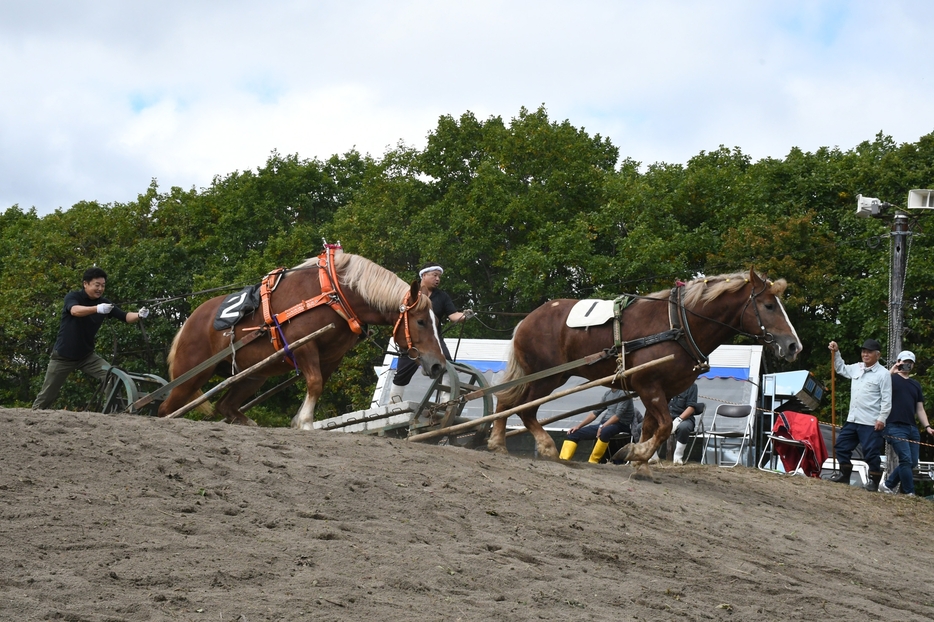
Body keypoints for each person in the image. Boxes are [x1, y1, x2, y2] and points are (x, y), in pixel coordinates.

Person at [32, 267, 149, 409]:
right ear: (85, 284)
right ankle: (33, 416)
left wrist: (139, 315)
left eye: (103, 285)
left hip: (87, 357)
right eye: (97, 285)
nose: (100, 288)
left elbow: (125, 316)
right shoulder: (73, 297)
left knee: (111, 375)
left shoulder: (105, 303)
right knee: (47, 395)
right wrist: (97, 309)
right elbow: (75, 311)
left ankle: (112, 412)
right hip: (63, 357)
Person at [384, 263, 471, 404]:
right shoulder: (409, 294)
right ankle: (394, 404)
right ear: (424, 275)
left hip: (434, 340)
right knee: (402, 373)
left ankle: (446, 402)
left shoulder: (442, 297)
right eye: (434, 275)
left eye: (439, 276)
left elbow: (453, 315)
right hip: (412, 340)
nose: (438, 279)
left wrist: (464, 315)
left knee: (447, 364)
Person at [828, 338, 891, 491]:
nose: (865, 354)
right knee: (841, 446)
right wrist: (836, 353)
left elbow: (887, 399)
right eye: (863, 351)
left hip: (871, 422)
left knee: (870, 453)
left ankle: (874, 481)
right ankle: (844, 475)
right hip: (853, 418)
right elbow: (841, 368)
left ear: (877, 355)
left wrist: (882, 418)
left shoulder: (883, 374)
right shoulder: (857, 367)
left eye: (869, 352)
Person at [879, 350, 933, 496]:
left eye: (910, 362)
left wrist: (927, 426)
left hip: (912, 427)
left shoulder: (915, 385)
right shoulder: (891, 378)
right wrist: (894, 369)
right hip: (894, 425)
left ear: (913, 364)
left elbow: (920, 409)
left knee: (912, 462)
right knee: (906, 459)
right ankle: (910, 493)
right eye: (905, 362)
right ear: (899, 361)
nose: (907, 364)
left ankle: (888, 485)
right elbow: (880, 382)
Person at [558, 388, 637, 463]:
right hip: (604, 424)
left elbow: (617, 416)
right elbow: (595, 413)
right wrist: (578, 426)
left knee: (605, 431)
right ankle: (563, 461)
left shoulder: (624, 393)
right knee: (573, 433)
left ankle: (593, 462)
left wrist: (602, 426)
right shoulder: (608, 394)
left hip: (620, 424)